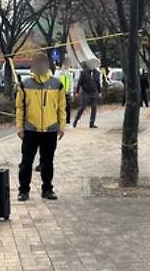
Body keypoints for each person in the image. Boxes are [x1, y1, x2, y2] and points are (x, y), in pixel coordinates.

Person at [16, 52, 66, 202]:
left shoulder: (57, 84)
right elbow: (19, 107)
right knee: (26, 161)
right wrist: (20, 127)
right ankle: (23, 190)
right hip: (30, 129)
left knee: (48, 161)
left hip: (50, 129)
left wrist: (61, 126)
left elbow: (62, 107)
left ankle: (47, 189)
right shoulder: (25, 85)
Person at [72, 59, 102, 128]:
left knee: (94, 107)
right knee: (82, 107)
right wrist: (76, 92)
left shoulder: (97, 73)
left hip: (94, 92)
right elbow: (79, 82)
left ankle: (92, 123)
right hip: (86, 92)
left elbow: (98, 83)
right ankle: (76, 120)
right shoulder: (83, 72)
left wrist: (99, 92)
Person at [56, 57, 74, 124]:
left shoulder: (69, 73)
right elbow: (55, 79)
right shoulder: (58, 73)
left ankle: (67, 120)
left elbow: (71, 83)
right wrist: (61, 71)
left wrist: (71, 93)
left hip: (66, 92)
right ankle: (59, 120)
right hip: (59, 93)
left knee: (67, 107)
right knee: (60, 107)